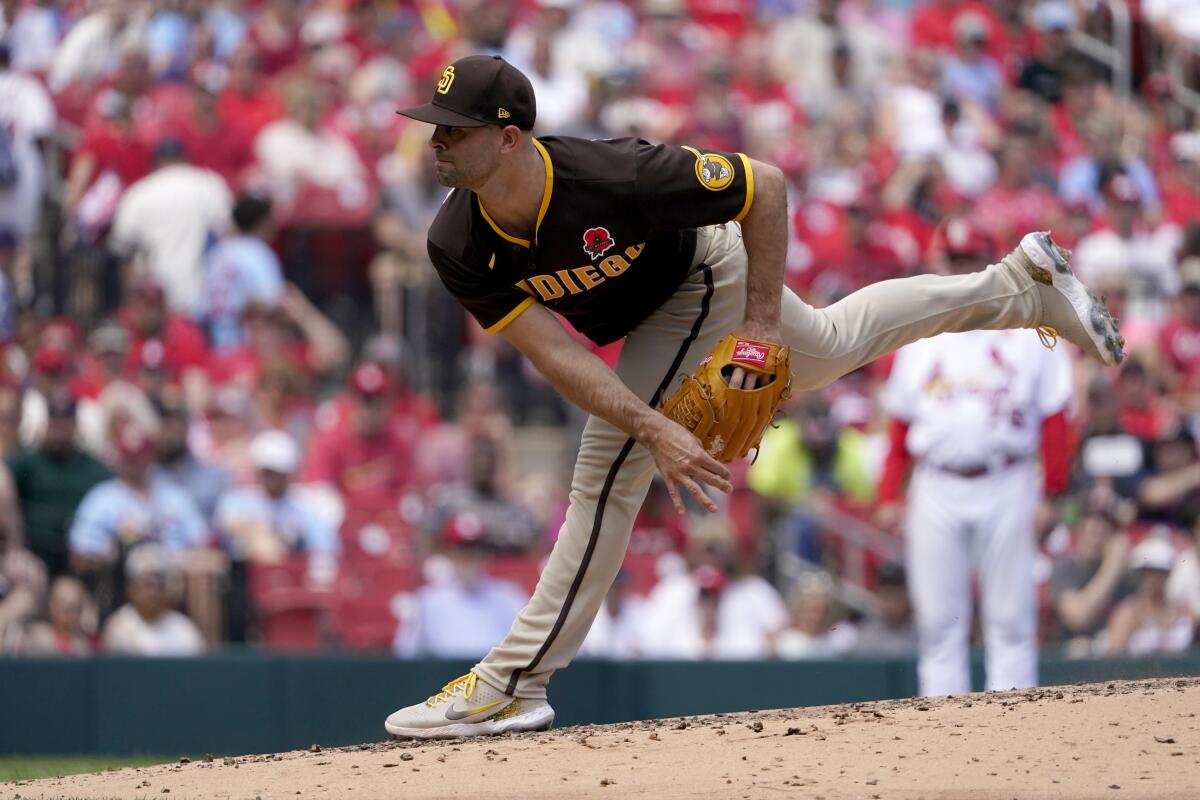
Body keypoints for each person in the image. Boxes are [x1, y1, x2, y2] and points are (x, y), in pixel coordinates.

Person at [384, 54, 1123, 739]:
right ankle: (1020, 288)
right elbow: (554, 355)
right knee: (835, 346)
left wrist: (761, 330)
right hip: (653, 315)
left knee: (604, 476)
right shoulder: (455, 240)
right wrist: (656, 424)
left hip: (699, 274)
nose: (435, 142)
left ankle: (515, 679)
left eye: (454, 129)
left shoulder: (613, 175)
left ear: (508, 138)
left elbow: (763, 185)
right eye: (435, 127)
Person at [5, 392, 110, 577]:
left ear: (76, 425)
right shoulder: (27, 461)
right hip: (35, 553)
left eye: (65, 421)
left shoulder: (95, 469)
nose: (59, 428)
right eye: (54, 421)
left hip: (82, 556)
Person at [392, 516, 528, 659]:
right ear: (450, 555)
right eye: (462, 551)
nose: (469, 558)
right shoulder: (428, 600)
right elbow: (406, 653)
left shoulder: (508, 596)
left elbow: (528, 648)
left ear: (485, 555)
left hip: (496, 677)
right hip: (445, 677)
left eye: (475, 551)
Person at [100, 543, 206, 657]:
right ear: (131, 588)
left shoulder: (183, 628)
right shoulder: (119, 626)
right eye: (148, 585)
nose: (154, 592)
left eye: (159, 585)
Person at [1103, 537, 1194, 656]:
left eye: (1161, 572)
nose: (1154, 578)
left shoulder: (1185, 613)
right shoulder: (1128, 613)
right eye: (1149, 572)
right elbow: (1114, 659)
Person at [853, 563, 918, 656]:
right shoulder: (868, 634)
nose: (889, 602)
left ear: (908, 596)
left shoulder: (923, 630)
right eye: (885, 594)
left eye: (895, 594)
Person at [22, 575, 94, 657]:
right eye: (62, 603)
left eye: (74, 606)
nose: (68, 612)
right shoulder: (39, 635)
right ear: (51, 604)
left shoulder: (83, 645)